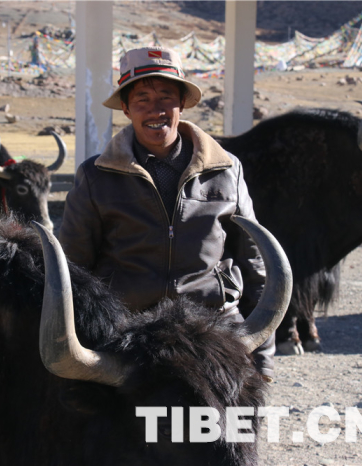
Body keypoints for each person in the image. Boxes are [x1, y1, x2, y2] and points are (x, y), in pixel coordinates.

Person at [58, 46, 275, 380]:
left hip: (214, 327)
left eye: (165, 97)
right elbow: (73, 272)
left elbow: (255, 266)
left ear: (182, 103)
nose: (155, 109)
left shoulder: (227, 171)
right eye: (142, 99)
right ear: (126, 108)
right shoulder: (95, 177)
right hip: (127, 330)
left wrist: (262, 359)